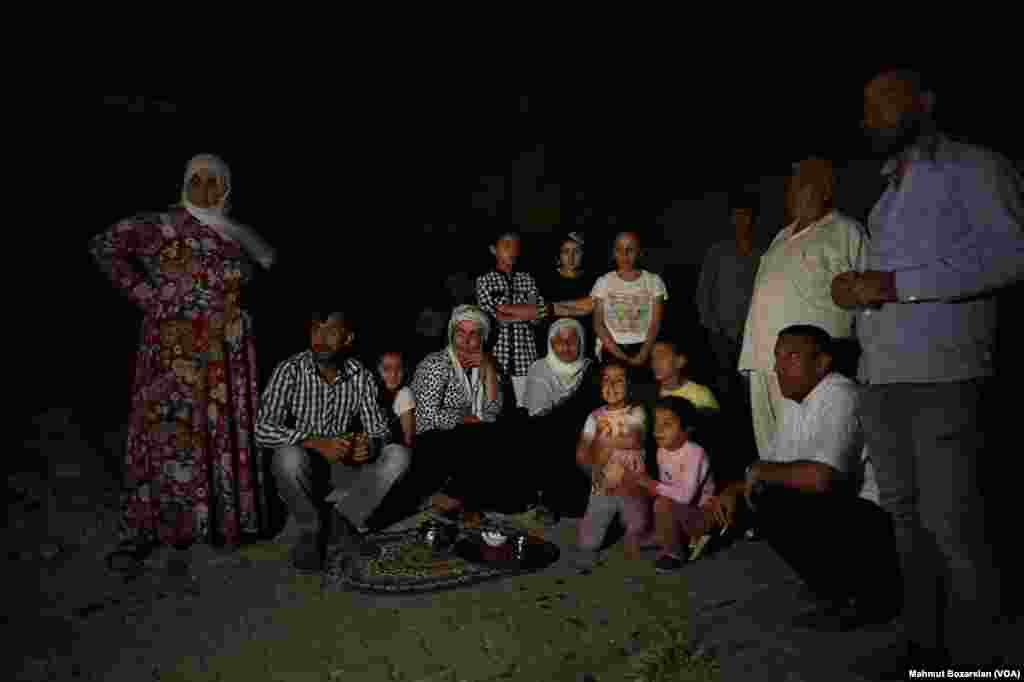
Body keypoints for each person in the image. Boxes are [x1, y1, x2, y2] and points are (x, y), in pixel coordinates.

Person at [831, 67, 1023, 669]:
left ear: (924, 102)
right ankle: (925, 649)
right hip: (884, 377)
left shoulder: (975, 166)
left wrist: (892, 286)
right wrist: (857, 294)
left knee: (953, 526)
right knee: (906, 524)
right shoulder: (887, 193)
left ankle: (983, 658)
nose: (872, 115)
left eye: (884, 101)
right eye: (865, 105)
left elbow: (1012, 257)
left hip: (944, 375)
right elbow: (885, 288)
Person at [91, 153, 277, 574]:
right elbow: (104, 246)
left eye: (216, 182)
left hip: (228, 349)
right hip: (173, 346)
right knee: (169, 434)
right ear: (185, 182)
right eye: (198, 180)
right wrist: (146, 297)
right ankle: (152, 528)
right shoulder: (160, 224)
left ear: (228, 188)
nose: (206, 189)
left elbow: (265, 266)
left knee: (219, 432)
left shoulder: (237, 231)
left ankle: (220, 524)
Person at [707, 325, 899, 632]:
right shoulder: (797, 400)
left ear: (822, 362)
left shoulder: (839, 394)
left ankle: (867, 597)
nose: (778, 367)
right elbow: (770, 465)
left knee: (772, 497)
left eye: (791, 357)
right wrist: (731, 490)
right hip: (846, 512)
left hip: (877, 522)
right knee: (760, 494)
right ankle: (836, 590)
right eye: (777, 357)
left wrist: (757, 476)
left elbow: (823, 478)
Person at [254, 310, 411, 572]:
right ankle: (310, 530)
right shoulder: (290, 369)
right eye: (316, 330)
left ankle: (343, 520)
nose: (321, 338)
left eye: (331, 331)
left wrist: (369, 446)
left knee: (398, 455)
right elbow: (261, 429)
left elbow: (380, 431)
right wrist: (314, 442)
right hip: (306, 471)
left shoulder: (360, 374)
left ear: (348, 338)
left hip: (343, 467)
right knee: (287, 456)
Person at [738, 158, 867, 460]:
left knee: (812, 455)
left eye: (802, 184)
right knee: (771, 454)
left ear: (825, 189)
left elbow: (867, 302)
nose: (792, 192)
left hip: (808, 369)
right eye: (791, 185)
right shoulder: (780, 236)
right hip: (764, 363)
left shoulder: (846, 231)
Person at [621, 397, 715, 573]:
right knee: (641, 492)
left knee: (661, 502)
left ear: (687, 429)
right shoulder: (662, 451)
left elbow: (686, 496)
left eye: (667, 424)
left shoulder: (695, 453)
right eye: (656, 423)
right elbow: (666, 487)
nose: (658, 430)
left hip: (702, 515)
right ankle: (664, 534)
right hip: (680, 510)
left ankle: (674, 553)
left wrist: (651, 484)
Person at [522, 318, 601, 523]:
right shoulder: (539, 369)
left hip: (582, 432)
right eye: (559, 341)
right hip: (547, 433)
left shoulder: (591, 369)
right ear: (550, 343)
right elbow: (537, 416)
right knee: (549, 435)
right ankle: (548, 501)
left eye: (572, 340)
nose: (565, 346)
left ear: (581, 343)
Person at [575, 361, 651, 562]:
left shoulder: (636, 412)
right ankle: (607, 521)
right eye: (606, 380)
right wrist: (591, 470)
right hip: (603, 485)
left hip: (631, 484)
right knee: (587, 544)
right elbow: (582, 451)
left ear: (630, 386)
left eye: (619, 381)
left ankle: (638, 523)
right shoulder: (594, 416)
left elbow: (634, 439)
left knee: (638, 529)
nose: (611, 385)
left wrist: (604, 444)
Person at [695, 195, 762, 407]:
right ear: (731, 219)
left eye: (746, 215)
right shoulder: (717, 251)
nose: (742, 220)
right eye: (737, 215)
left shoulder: (762, 253)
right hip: (720, 333)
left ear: (753, 219)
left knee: (750, 386)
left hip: (752, 333)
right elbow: (703, 292)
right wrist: (713, 327)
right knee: (723, 386)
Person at [475, 231, 548, 409]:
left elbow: (538, 316)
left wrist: (504, 310)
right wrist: (525, 313)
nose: (513, 250)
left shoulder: (527, 280)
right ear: (493, 249)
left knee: (528, 410)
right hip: (495, 358)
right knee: (492, 410)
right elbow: (493, 319)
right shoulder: (484, 281)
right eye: (507, 245)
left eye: (516, 246)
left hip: (526, 358)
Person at [591, 231, 668, 368]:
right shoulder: (603, 282)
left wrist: (643, 354)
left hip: (645, 347)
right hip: (612, 348)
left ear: (639, 251)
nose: (624, 255)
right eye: (619, 249)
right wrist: (621, 356)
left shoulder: (654, 281)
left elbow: (655, 323)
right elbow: (598, 324)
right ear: (613, 252)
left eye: (630, 249)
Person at [540, 232, 595, 356]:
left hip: (584, 347)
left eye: (576, 252)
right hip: (551, 346)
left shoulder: (592, 279)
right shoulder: (544, 278)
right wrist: (579, 309)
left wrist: (552, 307)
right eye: (566, 252)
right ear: (559, 255)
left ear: (583, 254)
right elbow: (537, 310)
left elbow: (591, 305)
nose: (571, 257)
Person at [651, 340, 720, 411]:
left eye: (661, 356)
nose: (655, 362)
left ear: (679, 361)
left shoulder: (701, 395)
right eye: (653, 358)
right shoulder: (650, 394)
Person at [377, 351, 416, 449]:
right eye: (386, 369)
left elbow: (408, 438)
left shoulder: (404, 394)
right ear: (378, 370)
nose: (394, 374)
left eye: (399, 368)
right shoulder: (371, 392)